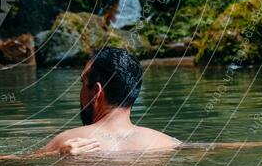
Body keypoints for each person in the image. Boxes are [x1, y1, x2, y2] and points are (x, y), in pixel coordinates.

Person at [38, 47, 181, 154]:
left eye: (82, 83)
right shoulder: (166, 143)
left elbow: (17, 165)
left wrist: (56, 154)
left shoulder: (66, 142)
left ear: (96, 92)